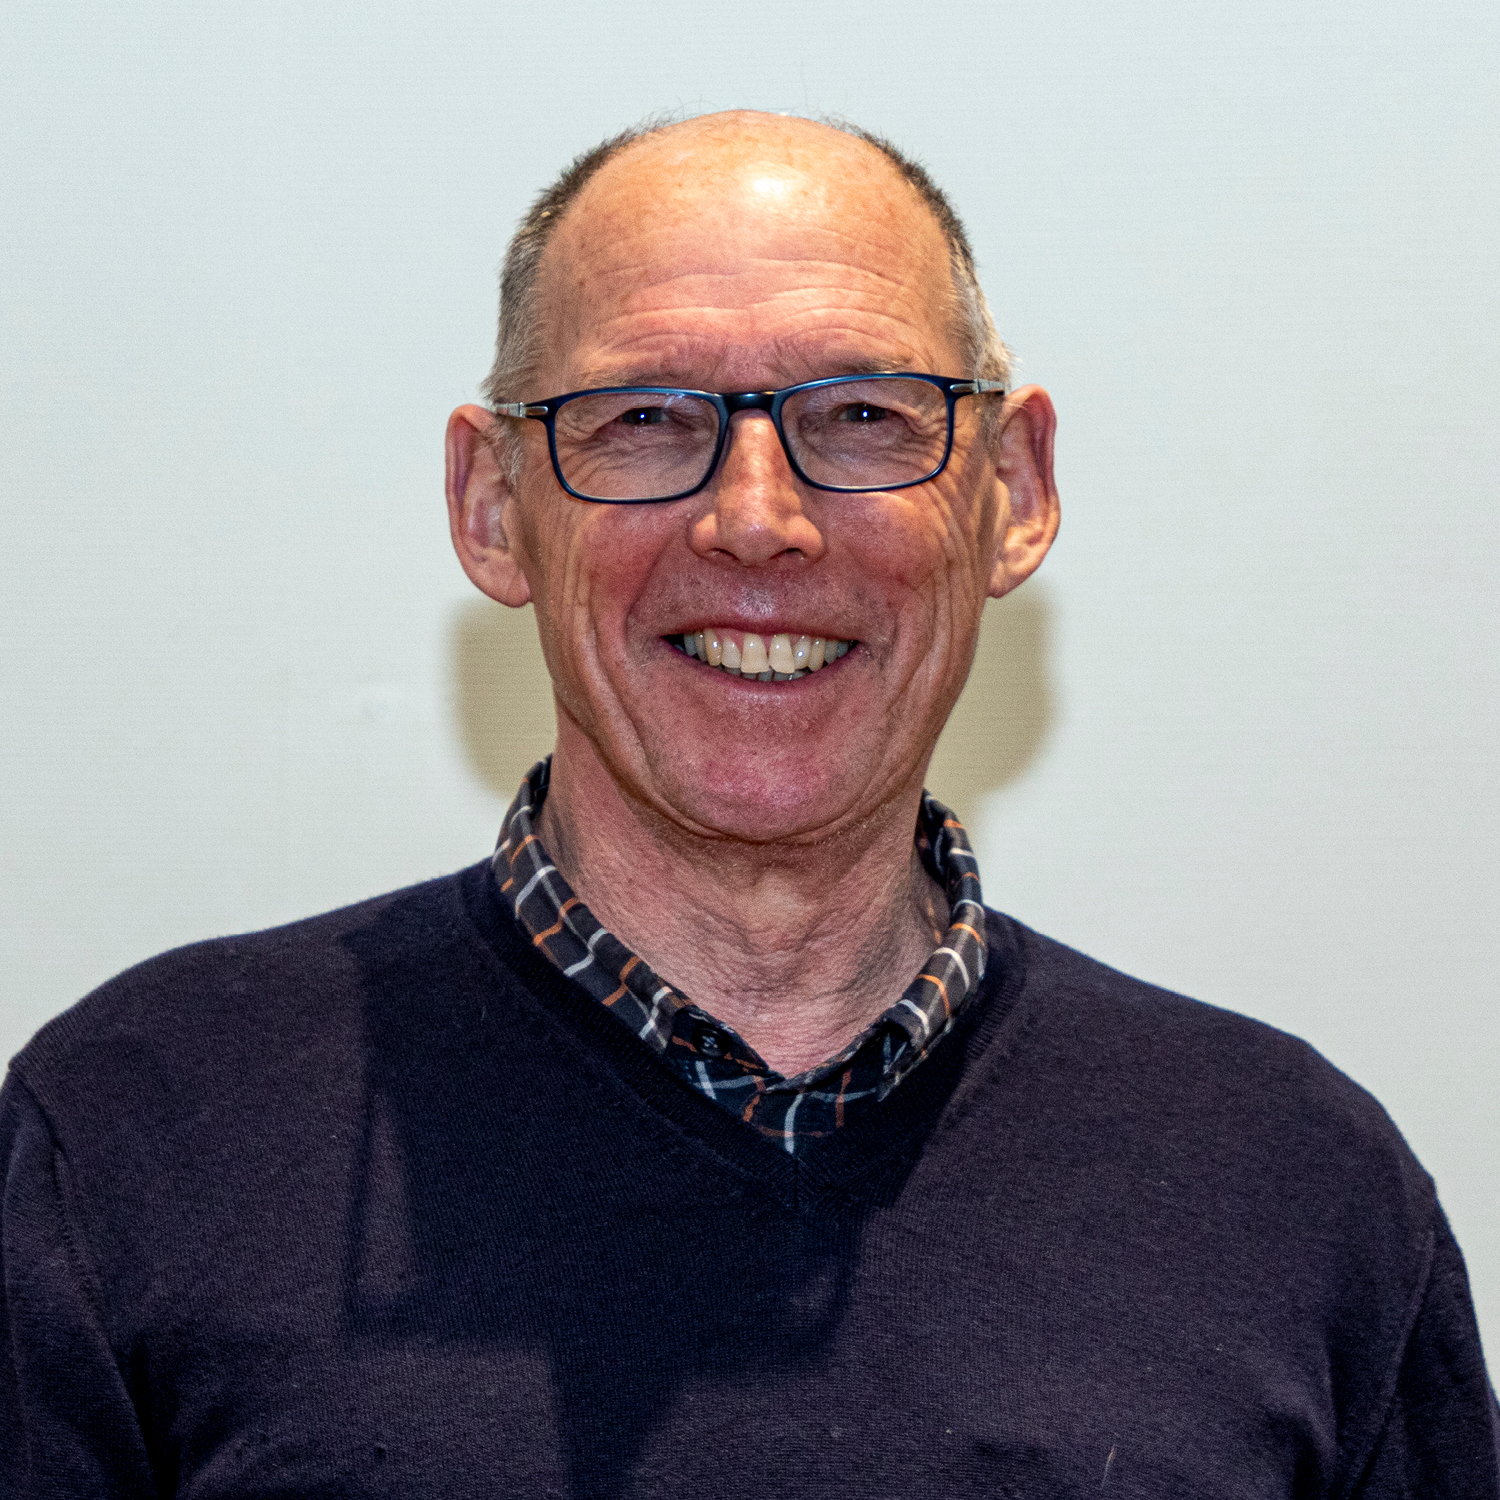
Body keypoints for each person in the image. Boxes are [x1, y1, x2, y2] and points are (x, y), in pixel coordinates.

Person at [2, 111, 1495, 1500]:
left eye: (861, 414)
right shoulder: (137, 1135)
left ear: (1015, 489)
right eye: (644, 418)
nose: (759, 521)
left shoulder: (1295, 1186)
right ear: (489, 504)